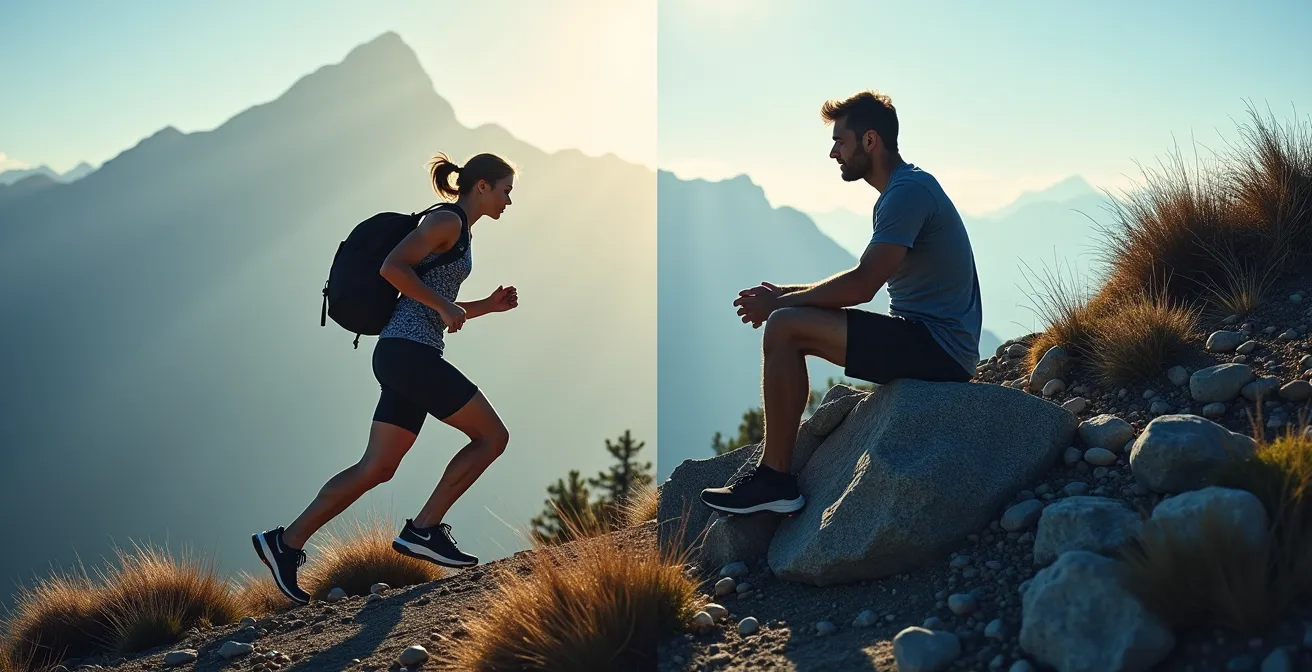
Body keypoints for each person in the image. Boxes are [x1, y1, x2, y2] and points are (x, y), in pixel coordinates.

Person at [253, 152, 520, 603]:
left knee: (377, 466)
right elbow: (392, 268)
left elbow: (433, 304)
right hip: (408, 355)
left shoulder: (458, 228)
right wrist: (443, 307)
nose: (509, 201)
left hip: (405, 354)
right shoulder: (447, 222)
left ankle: (285, 543)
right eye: (506, 190)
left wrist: (484, 307)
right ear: (481, 187)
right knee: (492, 438)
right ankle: (424, 529)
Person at [700, 90, 983, 516]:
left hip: (937, 349)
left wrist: (780, 304)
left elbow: (862, 285)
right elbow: (860, 279)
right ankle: (774, 476)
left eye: (840, 141)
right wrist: (783, 296)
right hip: (928, 342)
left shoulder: (907, 194)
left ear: (870, 141)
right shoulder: (902, 190)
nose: (833, 152)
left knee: (784, 327)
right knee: (788, 319)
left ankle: (775, 480)